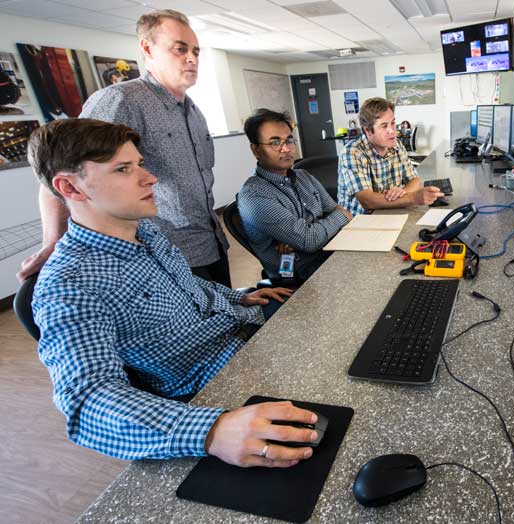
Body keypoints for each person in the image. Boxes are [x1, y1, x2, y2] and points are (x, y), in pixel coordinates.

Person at [30, 118, 316, 467]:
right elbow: (87, 399)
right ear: (71, 189)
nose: (149, 178)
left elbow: (186, 285)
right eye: (123, 169)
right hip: (215, 380)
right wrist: (211, 430)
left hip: (242, 328)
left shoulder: (145, 230)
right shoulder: (69, 284)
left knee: (341, 329)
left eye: (140, 164)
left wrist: (237, 296)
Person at [18, 9, 232, 287]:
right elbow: (62, 170)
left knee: (234, 322)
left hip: (209, 241)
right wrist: (53, 241)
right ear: (148, 48)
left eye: (195, 51)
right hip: (160, 254)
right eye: (180, 49)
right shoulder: (121, 100)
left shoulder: (193, 111)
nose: (191, 58)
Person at [238, 109, 352, 283]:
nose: (286, 149)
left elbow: (337, 211)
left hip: (328, 255)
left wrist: (307, 234)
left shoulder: (303, 176)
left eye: (289, 140)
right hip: (294, 274)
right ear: (256, 149)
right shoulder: (254, 196)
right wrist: (320, 229)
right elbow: (311, 240)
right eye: (275, 142)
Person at [337, 97, 442, 216]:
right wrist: (413, 197)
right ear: (368, 130)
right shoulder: (352, 152)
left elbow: (415, 180)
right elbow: (367, 201)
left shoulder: (397, 145)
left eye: (393, 123)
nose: (392, 131)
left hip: (390, 212)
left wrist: (402, 192)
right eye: (384, 126)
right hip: (360, 221)